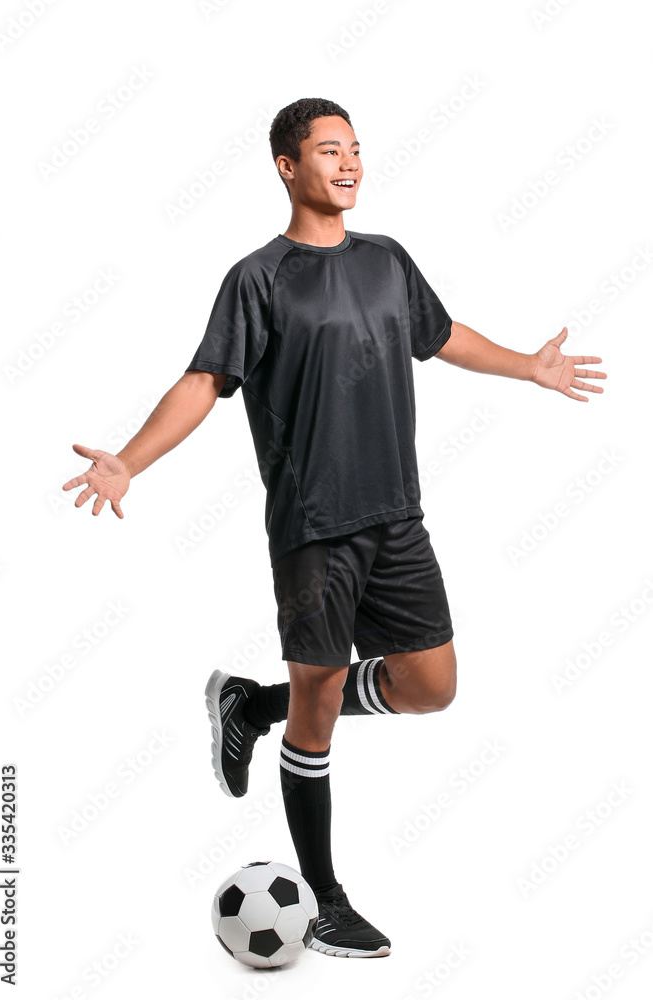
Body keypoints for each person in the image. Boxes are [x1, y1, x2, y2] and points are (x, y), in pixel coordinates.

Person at [62, 97, 607, 960]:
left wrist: (526, 368)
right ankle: (320, 898)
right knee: (319, 706)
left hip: (397, 514)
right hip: (315, 528)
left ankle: (253, 703)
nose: (348, 164)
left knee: (432, 684)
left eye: (354, 149)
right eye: (328, 151)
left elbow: (441, 334)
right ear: (288, 167)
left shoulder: (387, 260)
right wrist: (129, 459)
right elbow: (205, 380)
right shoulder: (258, 277)